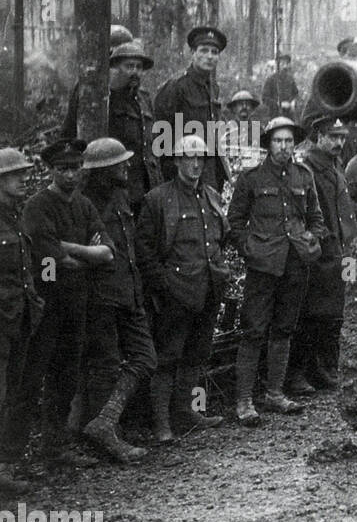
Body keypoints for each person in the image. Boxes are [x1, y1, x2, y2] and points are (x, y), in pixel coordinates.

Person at [0, 140, 113, 468]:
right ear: (51, 170)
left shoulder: (84, 205)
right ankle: (9, 457)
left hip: (77, 304)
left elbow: (107, 252)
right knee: (29, 382)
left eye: (75, 167)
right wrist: (82, 253)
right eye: (62, 168)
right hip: (44, 308)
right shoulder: (37, 206)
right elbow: (55, 260)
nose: (70, 174)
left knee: (66, 378)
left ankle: (55, 447)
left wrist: (73, 249)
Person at [226, 117, 325, 425]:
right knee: (254, 330)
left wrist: (312, 238)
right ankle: (243, 402)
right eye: (278, 141)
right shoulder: (251, 178)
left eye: (289, 142)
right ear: (268, 144)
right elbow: (234, 223)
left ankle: (274, 393)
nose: (284, 147)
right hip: (263, 265)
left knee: (284, 328)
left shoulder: (303, 176)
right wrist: (250, 249)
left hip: (295, 263)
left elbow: (316, 219)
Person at [136, 135, 229, 443]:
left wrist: (220, 270)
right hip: (176, 293)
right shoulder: (158, 199)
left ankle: (188, 411)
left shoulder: (211, 196)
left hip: (209, 288)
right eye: (189, 157)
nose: (195, 163)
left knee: (198, 353)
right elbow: (145, 252)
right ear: (175, 161)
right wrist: (164, 286)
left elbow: (220, 238)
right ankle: (161, 423)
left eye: (200, 158)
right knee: (168, 356)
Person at [78, 138, 157, 462]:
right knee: (105, 367)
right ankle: (102, 436)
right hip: (101, 297)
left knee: (145, 358)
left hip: (130, 291)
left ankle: (105, 423)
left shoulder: (123, 196)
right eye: (120, 163)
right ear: (102, 171)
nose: (127, 166)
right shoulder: (84, 204)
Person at [287, 117, 357, 395]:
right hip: (318, 253)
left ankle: (321, 369)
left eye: (342, 137)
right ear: (318, 136)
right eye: (332, 136)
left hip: (338, 251)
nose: (339, 142)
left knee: (330, 316)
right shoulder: (307, 167)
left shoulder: (334, 165)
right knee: (309, 316)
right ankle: (296, 374)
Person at [63, 41, 162, 216]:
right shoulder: (102, 98)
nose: (135, 72)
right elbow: (70, 136)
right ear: (114, 68)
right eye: (129, 66)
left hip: (146, 189)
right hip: (115, 189)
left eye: (139, 67)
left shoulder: (144, 99)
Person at [0, 149, 42, 494]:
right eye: (16, 174)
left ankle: (4, 467)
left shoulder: (16, 217)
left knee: (12, 393)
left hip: (19, 320)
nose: (24, 178)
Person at [153, 26, 228, 193]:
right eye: (204, 50)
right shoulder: (176, 87)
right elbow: (160, 137)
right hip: (183, 174)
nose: (209, 56)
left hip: (208, 171)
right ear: (192, 53)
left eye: (214, 52)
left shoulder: (213, 88)